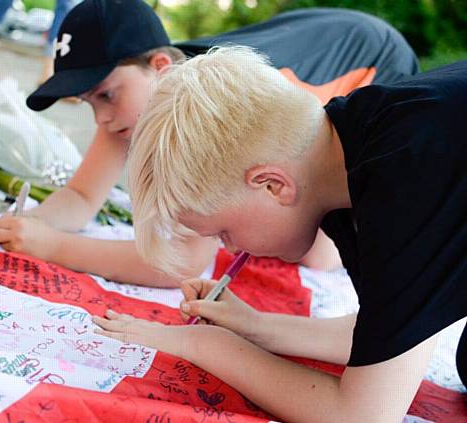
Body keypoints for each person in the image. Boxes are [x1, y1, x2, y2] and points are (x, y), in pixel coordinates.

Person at [93, 46, 467, 421]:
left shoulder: (407, 174)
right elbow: (391, 332)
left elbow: (362, 415)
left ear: (272, 185)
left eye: (224, 232)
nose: (229, 247)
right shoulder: (344, 149)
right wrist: (256, 327)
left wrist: (207, 345)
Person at [0, 0, 419, 287]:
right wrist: (29, 223)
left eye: (105, 95)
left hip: (372, 62)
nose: (101, 117)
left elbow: (182, 263)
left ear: (160, 66)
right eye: (87, 103)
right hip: (317, 35)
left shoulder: (214, 110)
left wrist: (54, 246)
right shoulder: (135, 95)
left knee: (319, 256)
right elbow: (82, 195)